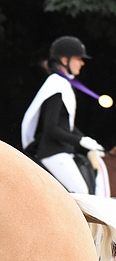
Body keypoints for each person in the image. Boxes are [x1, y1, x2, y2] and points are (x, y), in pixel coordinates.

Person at [20, 36, 105, 194]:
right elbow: (51, 128)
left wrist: (88, 141)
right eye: (78, 58)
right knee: (81, 192)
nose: (82, 63)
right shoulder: (56, 84)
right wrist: (80, 141)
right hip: (53, 152)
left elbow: (67, 126)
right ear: (65, 60)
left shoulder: (63, 84)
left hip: (64, 151)